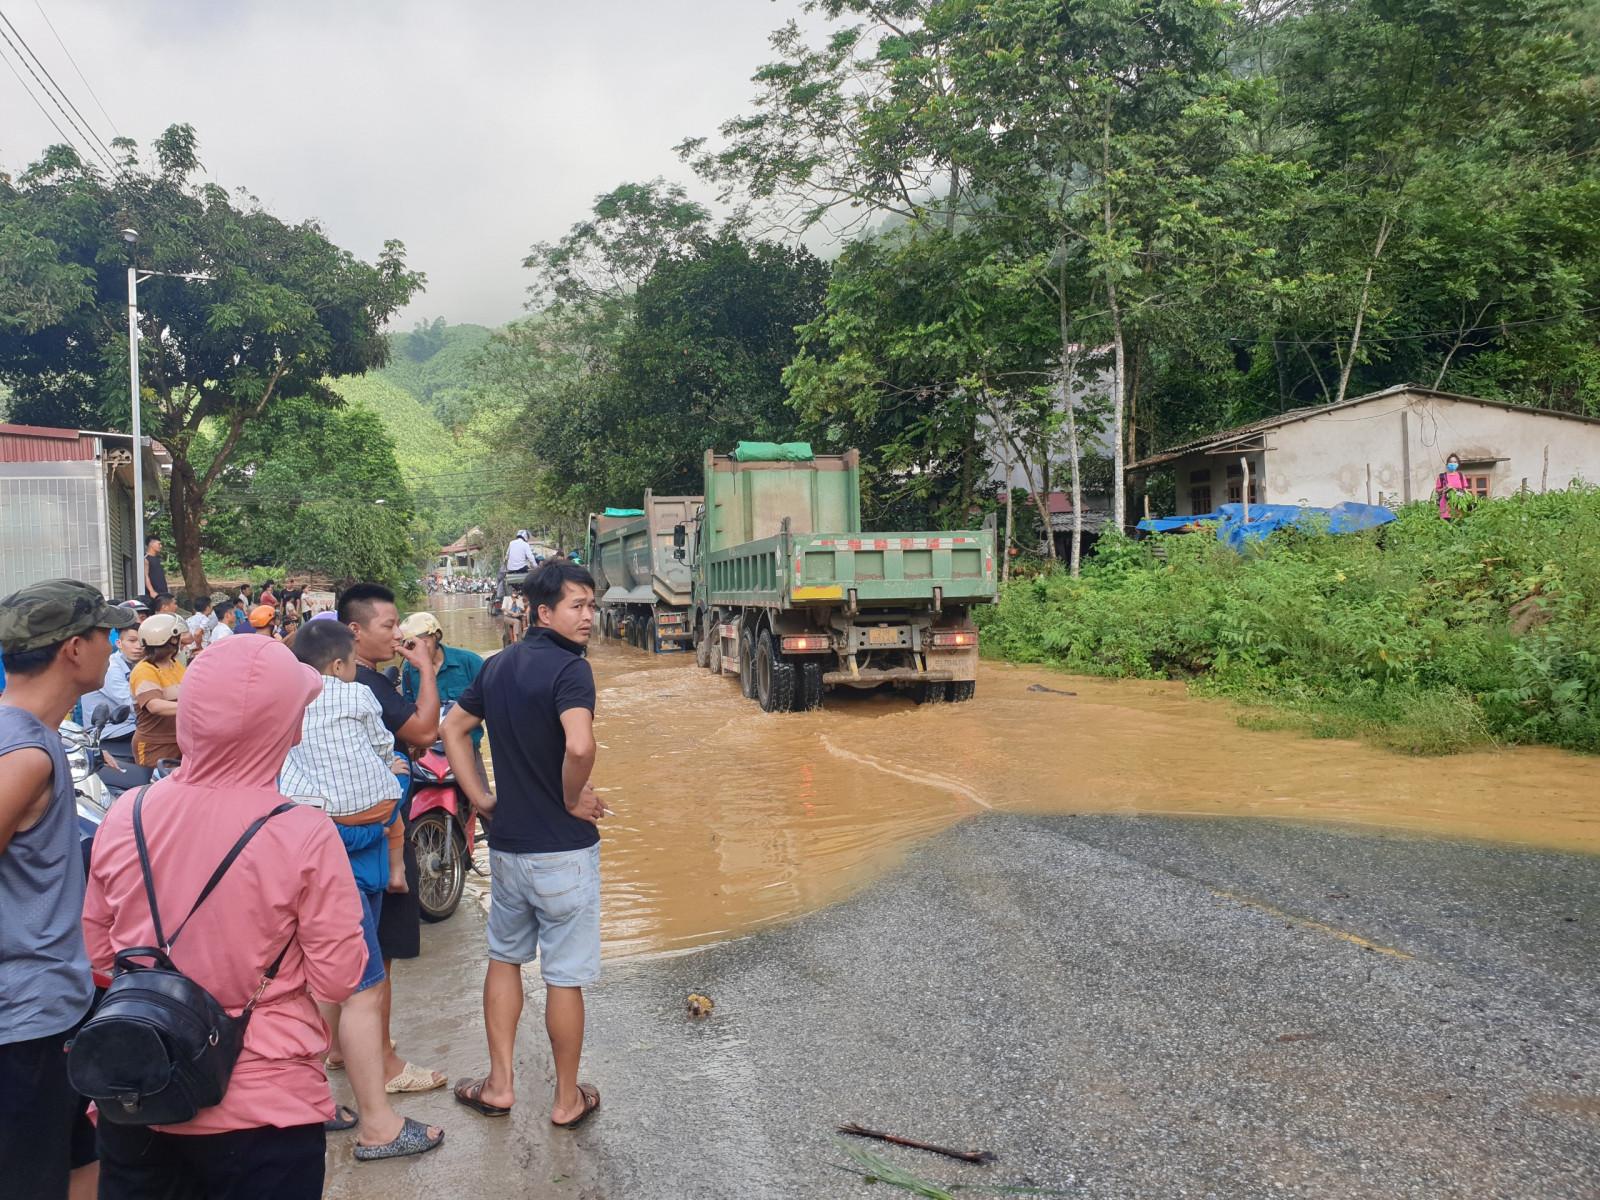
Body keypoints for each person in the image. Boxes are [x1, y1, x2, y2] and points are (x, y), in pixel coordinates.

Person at [83, 635, 438, 1196]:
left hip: (140, 1089)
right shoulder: (302, 831)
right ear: (284, 728)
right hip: (264, 1108)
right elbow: (340, 977)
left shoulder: (128, 812)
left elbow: (103, 956)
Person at [443, 561, 604, 1129]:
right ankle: (566, 1100)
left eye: (591, 605)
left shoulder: (498, 666)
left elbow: (452, 729)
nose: (588, 616)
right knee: (564, 976)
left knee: (505, 960)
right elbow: (580, 747)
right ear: (543, 612)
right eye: (576, 606)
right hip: (563, 851)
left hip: (508, 846)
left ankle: (500, 1085)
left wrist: (480, 797)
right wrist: (571, 796)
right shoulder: (571, 670)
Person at [279, 620, 443, 1162]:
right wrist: (390, 770)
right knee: (364, 986)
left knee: (309, 979)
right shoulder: (355, 696)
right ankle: (379, 1126)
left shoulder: (285, 705)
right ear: (340, 663)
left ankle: (319, 1101)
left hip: (304, 845)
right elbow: (396, 746)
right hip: (355, 844)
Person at [0, 580, 135, 1200]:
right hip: (24, 1020)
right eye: (105, 634)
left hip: (54, 1002)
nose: (113, 646)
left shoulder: (37, 735)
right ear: (73, 649)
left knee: (87, 1161)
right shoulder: (24, 753)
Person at [337, 583, 446, 1094]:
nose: (399, 634)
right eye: (389, 626)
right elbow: (425, 733)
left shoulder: (329, 683)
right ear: (355, 632)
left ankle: (341, 1049)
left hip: (340, 835)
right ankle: (386, 1065)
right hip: (378, 836)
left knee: (341, 952)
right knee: (378, 960)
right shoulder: (370, 686)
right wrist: (425, 669)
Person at [399, 611, 485, 743]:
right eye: (411, 646)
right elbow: (409, 715)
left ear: (436, 636)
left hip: (467, 748)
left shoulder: (470, 662)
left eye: (422, 643)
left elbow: (493, 707)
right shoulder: (408, 671)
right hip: (429, 753)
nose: (418, 651)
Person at [129, 613, 185, 768]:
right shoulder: (145, 670)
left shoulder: (174, 664)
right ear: (172, 640)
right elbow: (154, 705)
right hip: (154, 747)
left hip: (179, 743)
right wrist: (191, 708)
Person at [81, 625, 142, 765]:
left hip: (129, 725)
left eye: (142, 642)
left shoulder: (138, 665)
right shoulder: (111, 668)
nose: (138, 646)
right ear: (119, 643)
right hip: (110, 731)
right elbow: (132, 704)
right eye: (132, 641)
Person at [1435, 453, 1472, 519]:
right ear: (1447, 464)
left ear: (1458, 464)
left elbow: (1465, 491)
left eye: (1455, 462)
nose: (1453, 464)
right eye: (1451, 462)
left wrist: (1469, 498)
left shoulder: (1461, 476)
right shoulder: (1442, 476)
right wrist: (1445, 488)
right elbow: (1437, 491)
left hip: (1459, 507)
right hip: (1445, 508)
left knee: (1458, 524)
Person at [143, 536, 168, 604]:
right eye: (159, 544)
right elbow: (145, 576)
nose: (161, 546)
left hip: (163, 593)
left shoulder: (158, 559)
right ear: (151, 544)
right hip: (154, 595)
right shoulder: (146, 558)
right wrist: (152, 591)